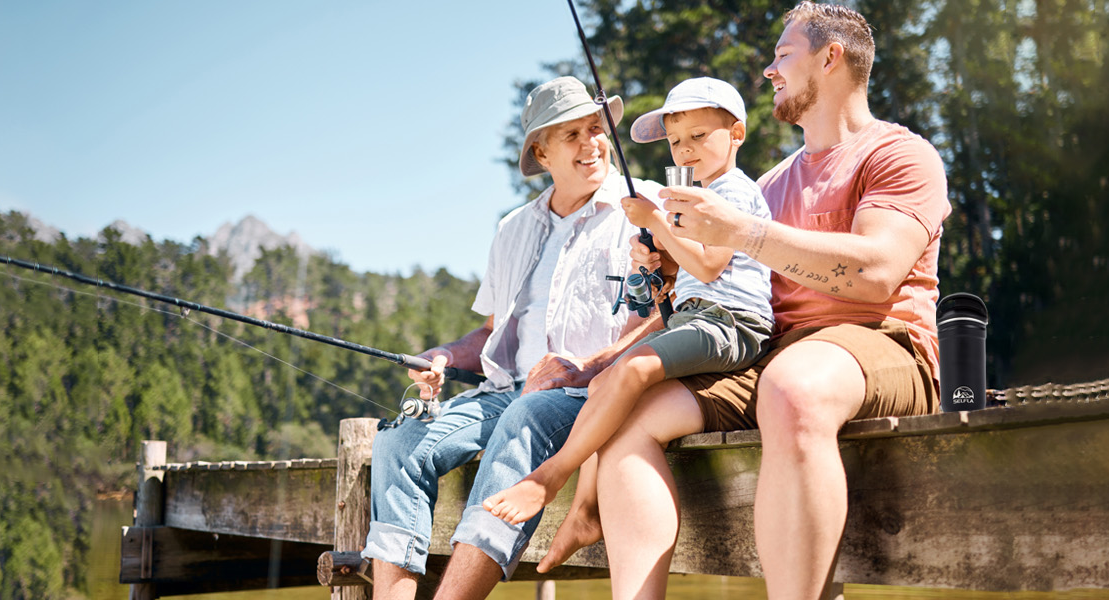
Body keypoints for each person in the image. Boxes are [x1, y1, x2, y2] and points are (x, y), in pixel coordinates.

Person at [541, 3, 953, 599]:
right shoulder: (767, 185)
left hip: (882, 342)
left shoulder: (897, 155)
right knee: (627, 419)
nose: (769, 71)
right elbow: (715, 296)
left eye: (783, 55)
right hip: (768, 352)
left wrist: (743, 233)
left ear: (830, 57)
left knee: (792, 387)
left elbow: (876, 273)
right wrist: (656, 280)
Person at [361, 75, 664, 600]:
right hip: (504, 392)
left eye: (596, 128)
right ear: (540, 152)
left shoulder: (647, 208)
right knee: (398, 439)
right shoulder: (513, 228)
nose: (592, 143)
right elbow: (486, 334)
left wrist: (585, 368)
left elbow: (664, 319)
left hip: (588, 394)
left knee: (526, 416)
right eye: (572, 135)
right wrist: (440, 356)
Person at [481, 76, 774, 527]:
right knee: (602, 385)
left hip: (730, 324)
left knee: (632, 369)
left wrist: (656, 219)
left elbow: (712, 267)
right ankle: (584, 512)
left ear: (736, 134)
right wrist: (658, 263)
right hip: (697, 319)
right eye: (676, 141)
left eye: (698, 136)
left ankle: (549, 478)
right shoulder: (696, 196)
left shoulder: (732, 192)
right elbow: (688, 270)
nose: (686, 150)